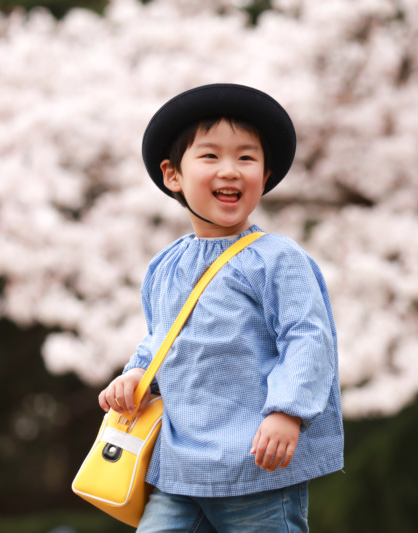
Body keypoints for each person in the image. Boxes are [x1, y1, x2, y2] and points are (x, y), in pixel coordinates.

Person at [98, 83, 344, 532]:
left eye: (246, 158)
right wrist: (137, 374)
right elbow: (163, 337)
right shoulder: (166, 264)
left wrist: (288, 411)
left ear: (265, 176)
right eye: (210, 156)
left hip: (257, 463)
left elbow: (307, 336)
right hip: (179, 467)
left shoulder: (276, 258)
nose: (230, 170)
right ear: (173, 175)